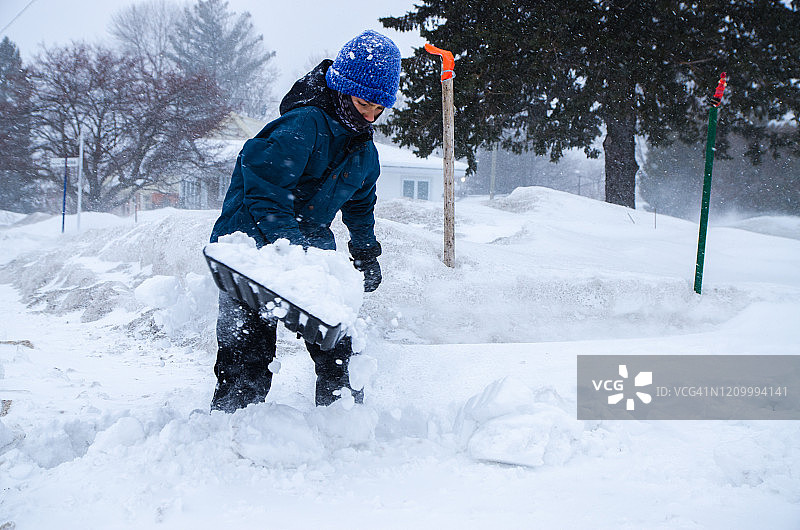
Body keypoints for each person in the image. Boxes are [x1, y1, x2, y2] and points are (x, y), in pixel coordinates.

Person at [208, 30, 401, 412]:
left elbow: (361, 205)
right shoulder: (303, 125)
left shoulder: (364, 151)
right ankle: (230, 425)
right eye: (364, 103)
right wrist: (288, 248)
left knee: (339, 343)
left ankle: (342, 421)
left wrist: (365, 252)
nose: (370, 114)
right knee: (247, 350)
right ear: (343, 89)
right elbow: (263, 188)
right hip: (250, 247)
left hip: (308, 246)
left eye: (379, 108)